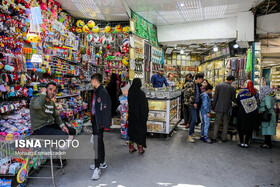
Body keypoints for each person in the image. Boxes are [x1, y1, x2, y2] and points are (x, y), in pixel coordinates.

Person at [90, 73, 112, 180]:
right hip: (96, 120)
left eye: (91, 81)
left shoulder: (102, 92)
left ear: (94, 80)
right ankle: (101, 162)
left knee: (97, 144)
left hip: (99, 122)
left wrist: (105, 124)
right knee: (98, 142)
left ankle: (97, 168)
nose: (91, 83)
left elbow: (106, 109)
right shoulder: (97, 91)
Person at [128, 78, 149, 154]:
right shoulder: (141, 94)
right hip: (140, 117)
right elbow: (144, 106)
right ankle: (140, 149)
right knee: (140, 132)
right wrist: (146, 115)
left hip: (132, 116)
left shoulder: (130, 91)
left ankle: (131, 148)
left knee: (132, 132)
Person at [212, 75, 236, 143]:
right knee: (226, 123)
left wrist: (213, 106)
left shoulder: (218, 86)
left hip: (218, 107)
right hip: (227, 108)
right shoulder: (232, 88)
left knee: (217, 123)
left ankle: (214, 137)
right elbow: (233, 99)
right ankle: (224, 138)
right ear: (231, 80)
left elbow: (215, 97)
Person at [236, 80, 259, 148]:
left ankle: (241, 141)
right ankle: (246, 142)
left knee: (241, 127)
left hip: (242, 112)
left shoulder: (241, 92)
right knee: (249, 128)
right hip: (251, 112)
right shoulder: (255, 92)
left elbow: (237, 101)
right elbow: (257, 102)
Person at [184, 73, 204, 143]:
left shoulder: (197, 85)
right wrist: (193, 103)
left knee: (194, 119)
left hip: (195, 104)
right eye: (201, 79)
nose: (201, 81)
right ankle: (189, 135)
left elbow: (196, 94)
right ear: (198, 78)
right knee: (194, 119)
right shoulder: (191, 84)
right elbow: (188, 95)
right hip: (192, 104)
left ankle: (192, 133)